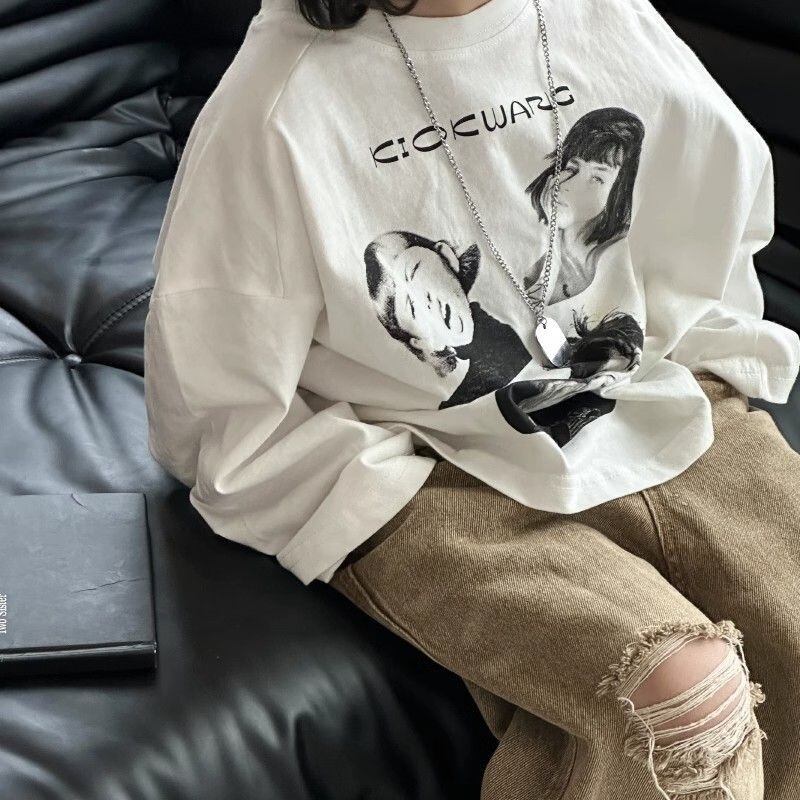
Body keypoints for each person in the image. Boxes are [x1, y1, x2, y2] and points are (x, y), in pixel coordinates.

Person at [143, 0, 800, 796]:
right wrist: (365, 492)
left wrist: (703, 358)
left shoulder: (600, 16)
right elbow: (214, 399)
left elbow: (720, 192)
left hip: (644, 393)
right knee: (680, 704)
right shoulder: (278, 103)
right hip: (428, 464)